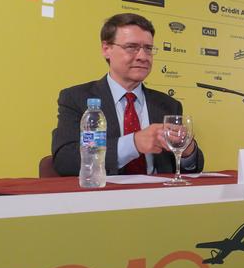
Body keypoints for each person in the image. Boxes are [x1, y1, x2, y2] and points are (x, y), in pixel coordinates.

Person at [52, 13, 204, 176]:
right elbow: (66, 161)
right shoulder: (77, 98)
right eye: (131, 47)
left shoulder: (168, 105)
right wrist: (133, 144)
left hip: (159, 192)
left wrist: (187, 151)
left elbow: (189, 169)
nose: (143, 57)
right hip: (105, 191)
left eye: (148, 48)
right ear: (106, 49)